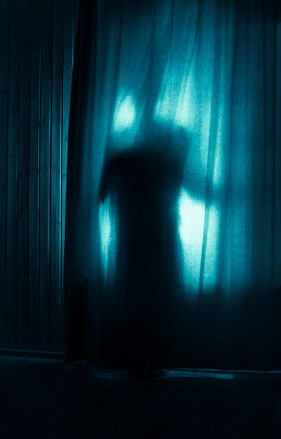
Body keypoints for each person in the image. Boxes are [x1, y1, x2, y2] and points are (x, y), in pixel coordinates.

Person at [98, 116, 190, 375]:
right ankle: (146, 358)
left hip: (144, 237)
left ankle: (145, 358)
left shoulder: (128, 158)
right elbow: (103, 193)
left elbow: (103, 194)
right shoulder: (133, 158)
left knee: (143, 293)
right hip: (145, 237)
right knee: (146, 293)